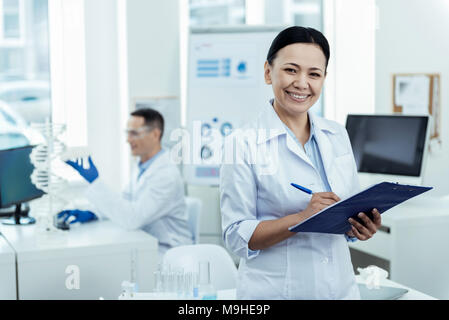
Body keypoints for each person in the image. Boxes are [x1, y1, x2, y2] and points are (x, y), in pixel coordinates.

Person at [220, 26, 382, 300]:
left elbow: (348, 208)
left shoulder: (337, 134)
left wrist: (361, 226)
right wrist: (301, 218)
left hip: (339, 289)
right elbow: (236, 235)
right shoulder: (242, 143)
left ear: (323, 79)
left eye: (314, 74)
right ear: (268, 72)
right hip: (275, 292)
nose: (302, 83)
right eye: (291, 70)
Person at [60, 108, 193, 255]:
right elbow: (125, 202)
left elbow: (133, 218)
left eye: (134, 133)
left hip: (169, 253)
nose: (128, 139)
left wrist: (95, 182)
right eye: (127, 132)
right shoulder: (142, 166)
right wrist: (93, 213)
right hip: (146, 244)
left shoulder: (167, 175)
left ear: (155, 134)